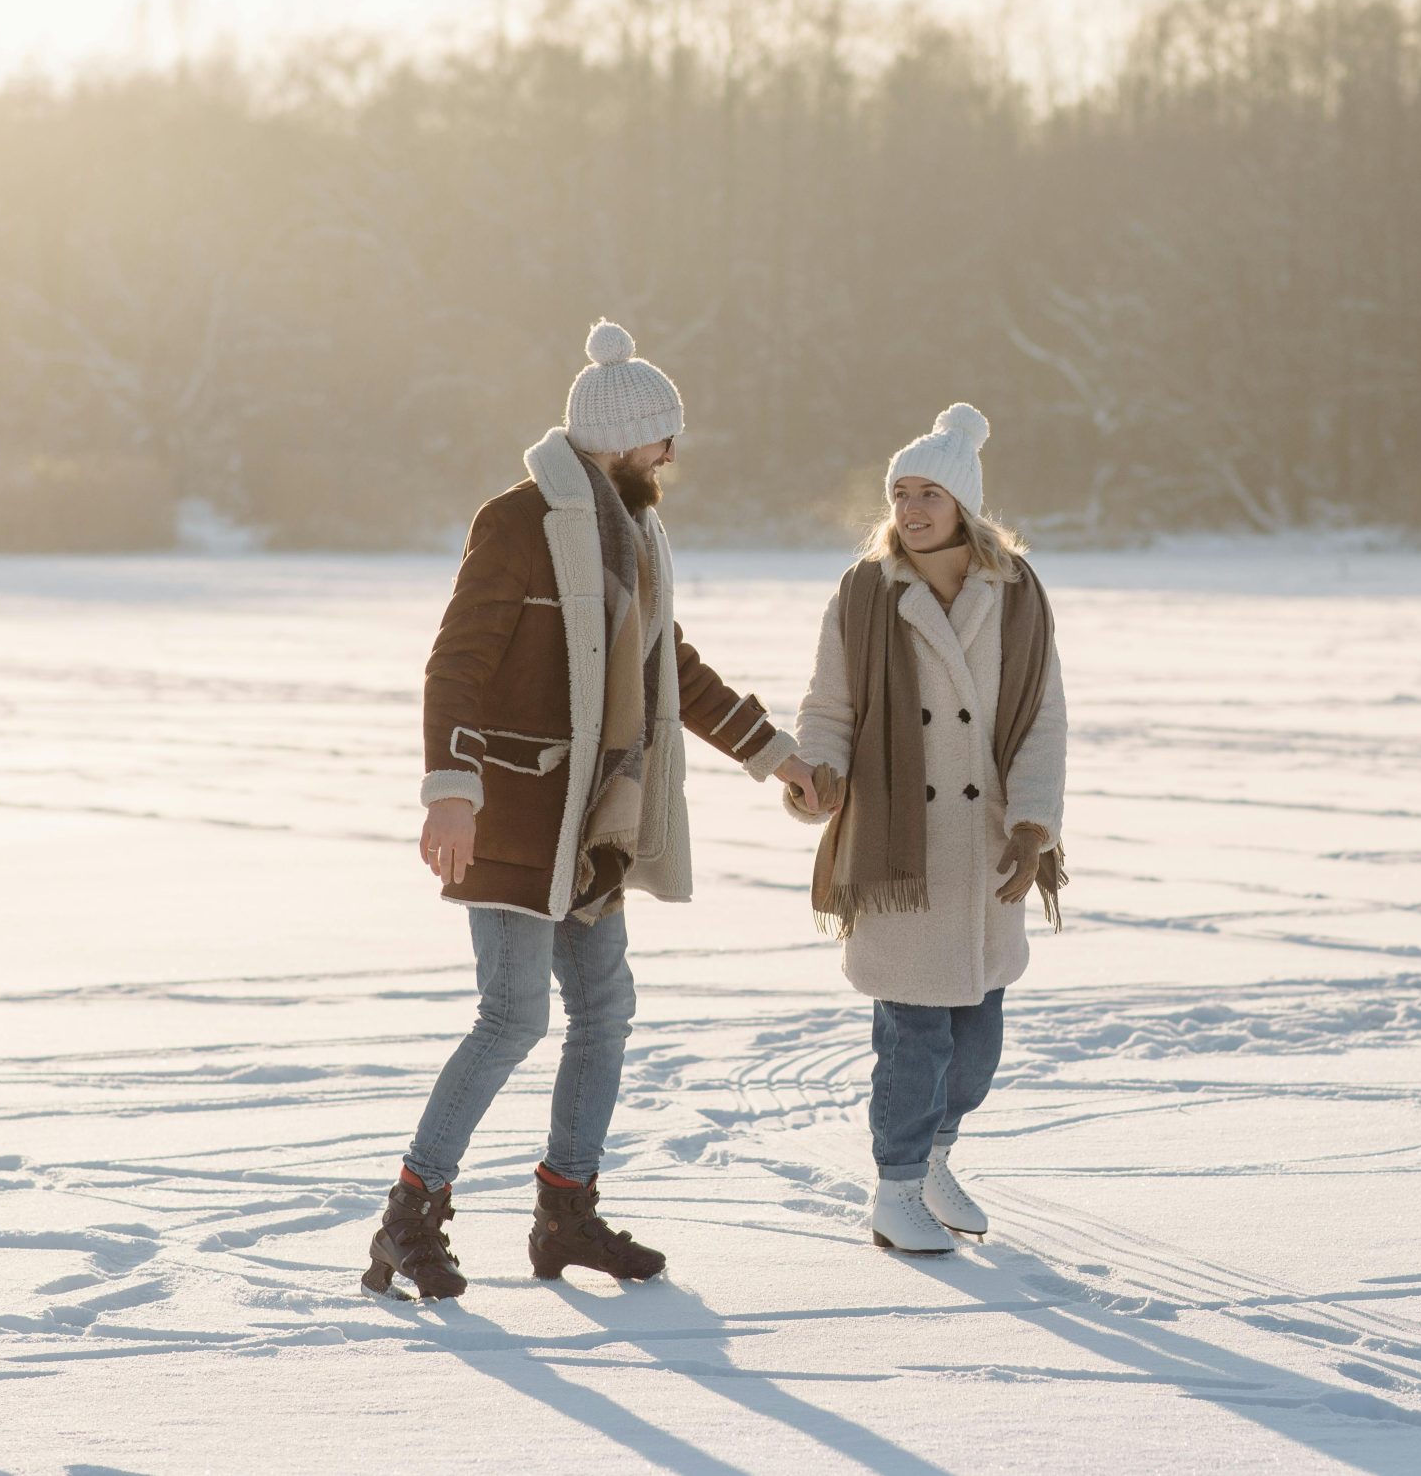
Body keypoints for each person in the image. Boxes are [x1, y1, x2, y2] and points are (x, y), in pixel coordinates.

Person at [364, 318, 822, 1299]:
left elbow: (673, 669)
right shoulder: (521, 521)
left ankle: (564, 1211)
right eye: (664, 437)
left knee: (604, 1008)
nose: (672, 455)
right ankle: (408, 1214)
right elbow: (457, 663)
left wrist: (774, 754)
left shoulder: (637, 531)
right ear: (625, 437)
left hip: (599, 820)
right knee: (511, 1014)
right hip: (519, 811)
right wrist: (452, 791)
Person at [782, 403, 1069, 1255]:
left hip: (981, 847)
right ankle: (896, 1186)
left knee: (975, 1045)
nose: (909, 509)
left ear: (963, 504)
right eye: (899, 493)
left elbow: (1043, 717)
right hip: (898, 846)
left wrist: (1034, 825)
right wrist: (817, 770)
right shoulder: (866, 591)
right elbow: (830, 701)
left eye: (927, 494)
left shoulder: (1017, 591)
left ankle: (937, 1155)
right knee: (914, 1035)